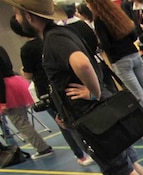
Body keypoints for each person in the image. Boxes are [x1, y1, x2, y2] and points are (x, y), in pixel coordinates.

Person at [7, 0, 143, 175]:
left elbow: (82, 63)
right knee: (130, 164)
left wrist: (93, 93)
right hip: (93, 115)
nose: (16, 19)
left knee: (124, 171)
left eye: (17, 14)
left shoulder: (55, 40)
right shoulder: (58, 36)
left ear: (29, 17)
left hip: (93, 118)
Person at [9, 14, 93, 164]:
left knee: (65, 124)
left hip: (51, 90)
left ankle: (82, 154)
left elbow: (28, 73)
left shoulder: (40, 44)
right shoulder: (55, 37)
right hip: (66, 86)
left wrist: (94, 91)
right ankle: (90, 149)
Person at [88, 0, 143, 139]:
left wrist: (99, 44)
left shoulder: (99, 21)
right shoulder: (118, 13)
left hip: (121, 61)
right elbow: (133, 34)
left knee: (139, 95)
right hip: (134, 55)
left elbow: (106, 44)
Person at [0, 44, 54, 157]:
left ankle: (42, 148)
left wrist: (2, 101)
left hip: (6, 88)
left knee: (21, 122)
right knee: (22, 120)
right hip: (14, 82)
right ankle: (42, 147)